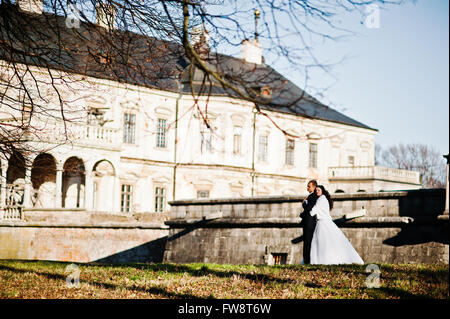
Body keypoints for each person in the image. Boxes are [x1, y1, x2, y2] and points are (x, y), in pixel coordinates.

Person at [309, 185, 364, 265]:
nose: (317, 191)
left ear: (322, 191)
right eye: (316, 190)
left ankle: (320, 260)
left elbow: (315, 209)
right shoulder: (323, 198)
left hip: (322, 222)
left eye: (319, 190)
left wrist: (309, 213)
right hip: (323, 222)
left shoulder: (321, 198)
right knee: (328, 241)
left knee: (322, 241)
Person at [299, 180, 318, 264]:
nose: (307, 188)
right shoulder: (311, 196)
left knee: (308, 242)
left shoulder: (313, 196)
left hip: (309, 223)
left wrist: (303, 203)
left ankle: (307, 260)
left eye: (309, 186)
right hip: (308, 222)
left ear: (314, 187)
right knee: (307, 241)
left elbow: (309, 208)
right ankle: (306, 260)